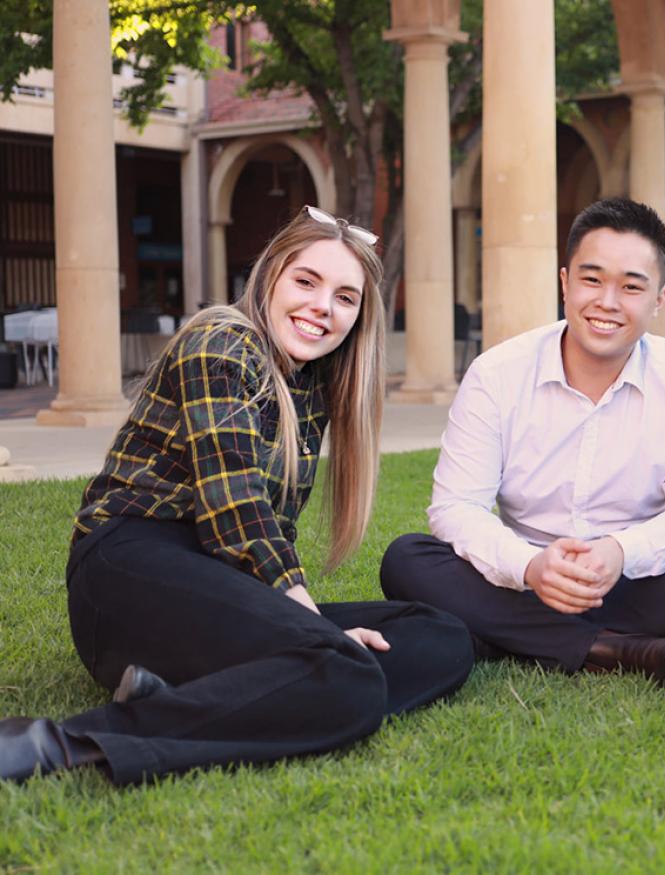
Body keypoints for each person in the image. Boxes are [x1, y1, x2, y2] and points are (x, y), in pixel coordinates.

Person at [0, 206, 473, 785]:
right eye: (306, 281)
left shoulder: (312, 385)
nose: (323, 307)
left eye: (346, 297)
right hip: (129, 573)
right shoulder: (220, 340)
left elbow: (264, 532)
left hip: (216, 582)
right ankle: (64, 744)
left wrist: (302, 633)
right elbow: (238, 511)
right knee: (347, 674)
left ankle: (196, 694)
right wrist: (316, 631)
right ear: (271, 277)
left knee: (440, 635)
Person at [381, 198, 665, 691]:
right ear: (565, 282)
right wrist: (530, 567)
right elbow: (455, 506)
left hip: (630, 580)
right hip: (519, 573)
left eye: (630, 286)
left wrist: (620, 552)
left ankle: (501, 634)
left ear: (658, 299)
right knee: (408, 560)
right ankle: (616, 650)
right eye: (592, 279)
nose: (607, 301)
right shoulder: (497, 373)